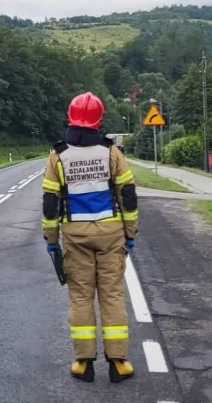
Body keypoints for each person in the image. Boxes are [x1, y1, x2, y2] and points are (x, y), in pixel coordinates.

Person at [42, 92, 138, 383]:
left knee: (81, 297)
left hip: (75, 235)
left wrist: (51, 240)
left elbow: (50, 203)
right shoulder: (111, 152)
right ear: (99, 120)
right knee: (112, 295)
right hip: (111, 233)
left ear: (70, 118)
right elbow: (128, 196)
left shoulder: (58, 155)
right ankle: (118, 363)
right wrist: (129, 234)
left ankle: (84, 364)